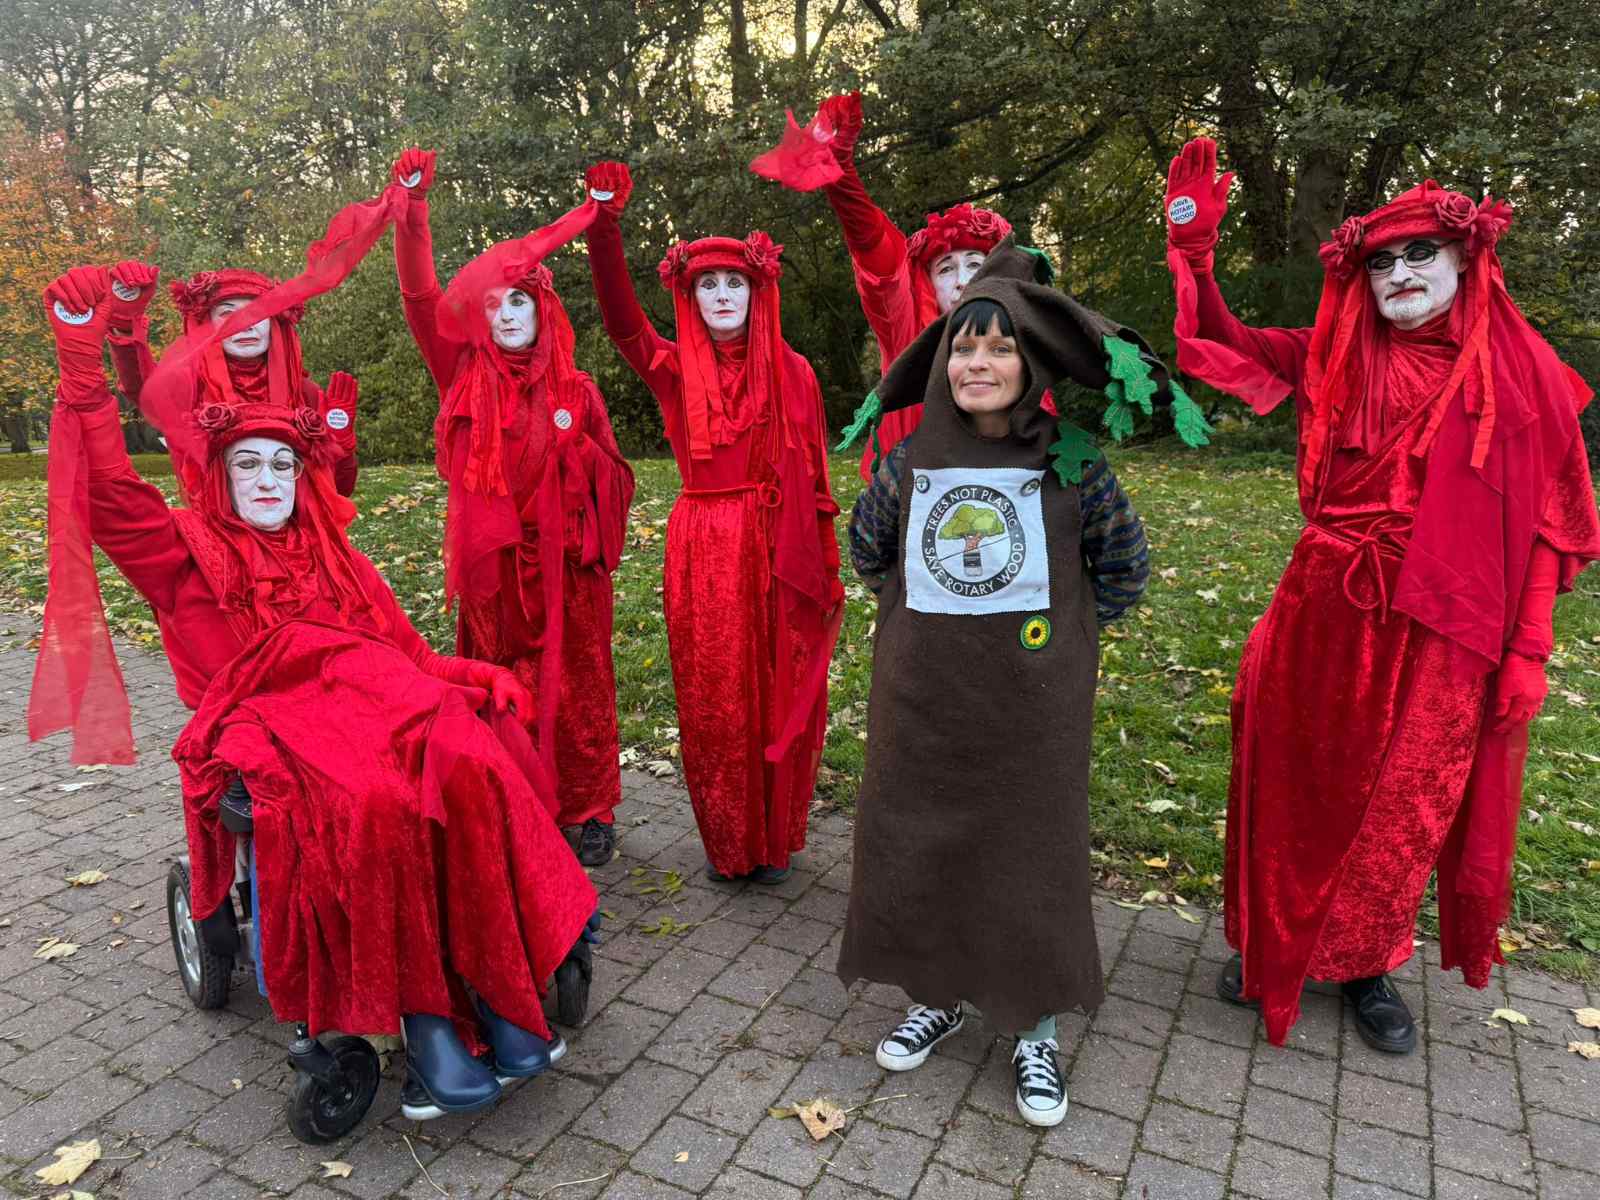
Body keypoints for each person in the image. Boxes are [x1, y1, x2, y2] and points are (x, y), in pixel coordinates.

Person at [30, 248, 597, 1119]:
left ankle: (494, 987)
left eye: (283, 467)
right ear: (220, 474)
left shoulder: (336, 557)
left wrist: (480, 676)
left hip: (373, 705)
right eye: (249, 466)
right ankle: (421, 1016)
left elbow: (411, 656)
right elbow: (106, 490)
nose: (266, 482)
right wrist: (81, 359)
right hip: (268, 725)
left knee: (471, 759)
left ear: (304, 480)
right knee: (375, 800)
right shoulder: (187, 551)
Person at [1161, 137, 1600, 1050]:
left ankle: (1366, 963)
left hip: (1448, 625)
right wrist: (1195, 256)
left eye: (1419, 254)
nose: (1398, 272)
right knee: (1295, 780)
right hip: (1325, 604)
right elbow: (1225, 343)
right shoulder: (1335, 354)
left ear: (1466, 257)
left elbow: (1555, 527)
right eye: (1380, 261)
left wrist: (1529, 650)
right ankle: (1275, 943)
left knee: (1403, 805)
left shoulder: (1525, 376)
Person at [839, 240, 1160, 1127]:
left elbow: (1125, 568)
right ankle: (938, 993)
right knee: (923, 845)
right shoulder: (909, 460)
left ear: (1035, 363)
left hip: (1032, 712)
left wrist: (1064, 648)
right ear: (943, 363)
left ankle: (1033, 1026)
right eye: (964, 348)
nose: (979, 363)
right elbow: (869, 550)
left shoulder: (1076, 461)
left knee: (1028, 859)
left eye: (1001, 347)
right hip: (926, 703)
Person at [582, 161, 844, 884]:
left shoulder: (795, 372)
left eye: (736, 283)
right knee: (717, 700)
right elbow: (619, 320)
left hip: (777, 538)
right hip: (705, 545)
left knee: (780, 685)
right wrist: (605, 228)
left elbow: (818, 478)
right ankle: (731, 842)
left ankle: (778, 833)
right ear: (690, 296)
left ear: (759, 293)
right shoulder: (670, 369)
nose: (723, 295)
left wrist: (821, 560)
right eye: (708, 285)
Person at [389, 148, 635, 865]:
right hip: (495, 571)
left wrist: (579, 465)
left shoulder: (578, 390)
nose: (507, 314)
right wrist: (412, 211)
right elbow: (417, 296)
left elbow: (618, 475)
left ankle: (589, 808)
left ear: (543, 307)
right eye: (495, 304)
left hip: (567, 568)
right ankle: (509, 792)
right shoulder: (460, 374)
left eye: (520, 300)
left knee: (580, 685)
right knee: (497, 685)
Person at [752, 91, 1024, 479]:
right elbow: (874, 247)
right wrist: (841, 172)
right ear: (927, 283)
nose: (963, 281)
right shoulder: (907, 328)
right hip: (910, 500)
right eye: (946, 268)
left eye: (975, 265)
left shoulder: (1024, 329)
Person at [101, 261, 362, 497]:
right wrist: (124, 323)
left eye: (258, 312)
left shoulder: (304, 393)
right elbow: (141, 385)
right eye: (227, 313)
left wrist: (340, 447)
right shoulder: (189, 387)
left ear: (275, 322)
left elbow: (340, 489)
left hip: (298, 541)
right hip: (212, 541)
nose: (245, 324)